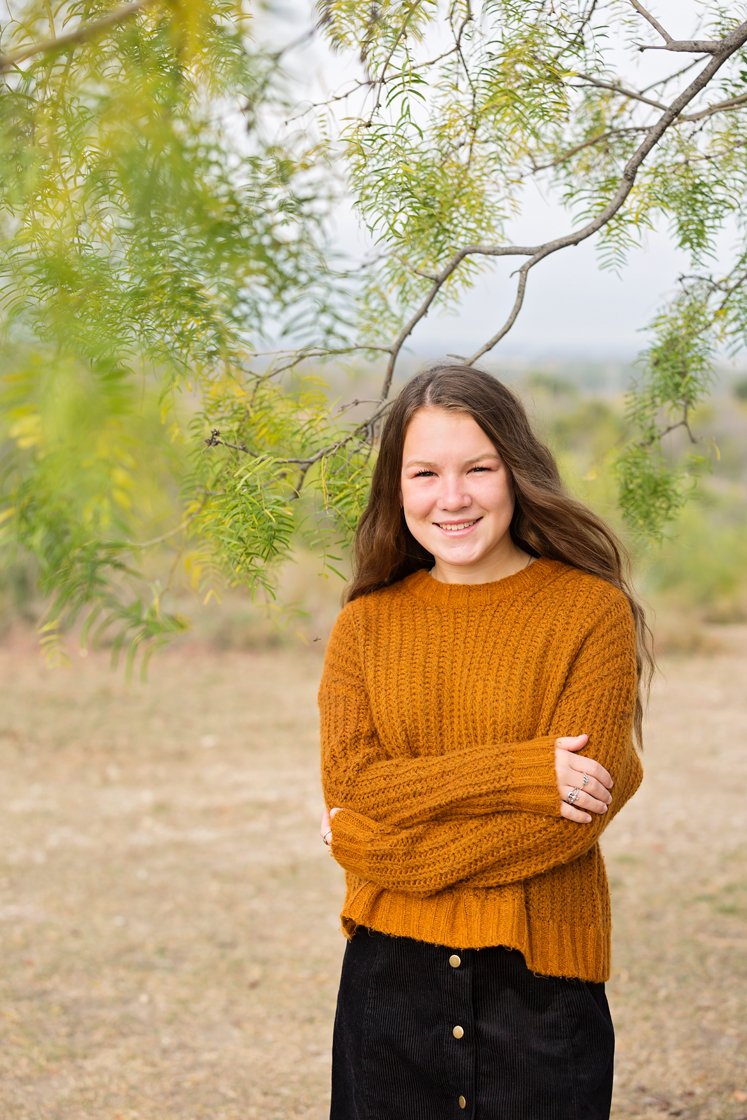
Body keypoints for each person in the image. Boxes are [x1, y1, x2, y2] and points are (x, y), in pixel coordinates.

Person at [317, 363, 652, 1120]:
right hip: (387, 985)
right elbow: (354, 785)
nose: (451, 497)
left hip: (541, 981)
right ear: (396, 489)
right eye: (424, 472)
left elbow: (568, 820)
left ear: (516, 472)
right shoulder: (364, 625)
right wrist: (526, 770)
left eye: (478, 468)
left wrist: (383, 851)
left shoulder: (589, 613)